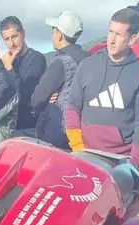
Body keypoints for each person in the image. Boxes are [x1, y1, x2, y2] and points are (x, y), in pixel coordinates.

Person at [65, 8, 139, 166]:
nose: (111, 40)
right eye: (110, 32)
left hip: (120, 161)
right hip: (84, 154)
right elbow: (72, 108)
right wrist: (78, 149)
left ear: (132, 39)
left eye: (118, 34)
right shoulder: (87, 65)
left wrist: (133, 162)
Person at [31, 11, 87, 149]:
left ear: (60, 35)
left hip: (58, 131)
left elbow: (37, 98)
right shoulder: (89, 59)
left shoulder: (60, 63)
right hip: (82, 130)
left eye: (53, 31)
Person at [0, 16, 46, 137]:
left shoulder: (37, 58)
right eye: (7, 39)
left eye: (14, 36)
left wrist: (9, 69)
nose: (11, 43)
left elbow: (27, 95)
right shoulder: (4, 62)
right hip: (7, 128)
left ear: (23, 33)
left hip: (30, 127)